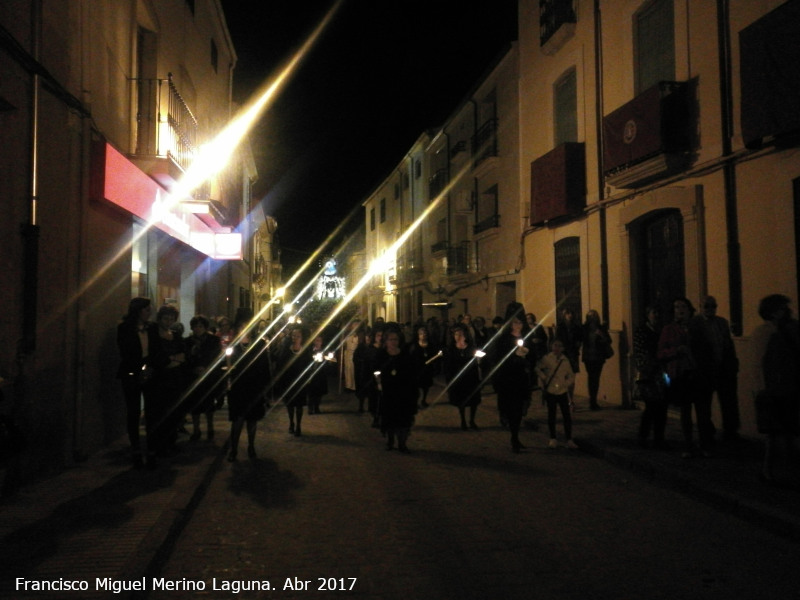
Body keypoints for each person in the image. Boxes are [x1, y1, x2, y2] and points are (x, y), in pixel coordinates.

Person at [749, 294, 800, 484]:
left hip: (786, 388)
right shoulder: (765, 334)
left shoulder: (787, 329)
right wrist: (762, 390)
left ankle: (781, 470)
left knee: (787, 431)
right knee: (774, 433)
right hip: (773, 391)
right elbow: (759, 365)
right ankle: (769, 471)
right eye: (782, 308)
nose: (787, 311)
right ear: (774, 312)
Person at [658, 297, 708, 458]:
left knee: (702, 411)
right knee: (685, 411)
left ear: (689, 309)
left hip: (698, 372)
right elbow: (661, 352)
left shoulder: (698, 326)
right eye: (676, 307)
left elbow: (706, 348)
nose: (680, 310)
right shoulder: (669, 329)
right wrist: (675, 351)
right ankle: (688, 445)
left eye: (683, 307)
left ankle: (704, 444)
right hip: (681, 373)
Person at [690, 295, 740, 442]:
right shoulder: (695, 323)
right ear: (700, 307)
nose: (710, 309)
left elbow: (728, 344)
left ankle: (730, 432)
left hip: (723, 367)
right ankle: (706, 433)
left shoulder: (722, 322)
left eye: (713, 306)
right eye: (707, 306)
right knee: (704, 404)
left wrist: (732, 363)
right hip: (705, 369)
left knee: (729, 402)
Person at [226, 309, 270, 461]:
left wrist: (266, 388)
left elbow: (265, 367)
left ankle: (251, 446)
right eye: (241, 326)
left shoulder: (259, 344)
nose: (244, 329)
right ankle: (234, 449)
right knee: (237, 420)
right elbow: (227, 366)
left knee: (252, 419)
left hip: (254, 387)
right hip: (238, 388)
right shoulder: (233, 345)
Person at [116, 297, 155, 468]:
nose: (149, 313)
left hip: (149, 373)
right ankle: (136, 449)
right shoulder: (124, 328)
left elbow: (154, 350)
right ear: (138, 311)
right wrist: (139, 370)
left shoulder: (151, 328)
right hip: (132, 374)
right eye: (147, 310)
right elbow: (125, 352)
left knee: (151, 411)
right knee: (133, 411)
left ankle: (151, 448)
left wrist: (150, 368)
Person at [145, 304, 187, 464]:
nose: (168, 321)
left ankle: (169, 443)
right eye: (166, 318)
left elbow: (183, 355)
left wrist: (171, 360)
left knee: (172, 412)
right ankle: (155, 447)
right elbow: (156, 358)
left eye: (171, 318)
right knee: (156, 413)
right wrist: (172, 359)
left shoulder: (175, 335)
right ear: (160, 318)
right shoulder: (153, 335)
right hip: (157, 381)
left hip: (174, 380)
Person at [492, 302, 535, 453]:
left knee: (519, 408)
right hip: (508, 379)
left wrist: (527, 354)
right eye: (515, 322)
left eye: (520, 322)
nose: (518, 325)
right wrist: (514, 356)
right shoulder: (503, 339)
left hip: (522, 378)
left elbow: (534, 355)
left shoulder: (526, 336)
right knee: (512, 409)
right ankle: (514, 437)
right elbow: (499, 359)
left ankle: (515, 436)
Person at [374, 324, 417, 452]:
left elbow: (410, 372)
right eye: (390, 339)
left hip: (402, 391)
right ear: (386, 341)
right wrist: (378, 381)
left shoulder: (404, 355)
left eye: (395, 339)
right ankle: (390, 440)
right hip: (388, 391)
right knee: (389, 417)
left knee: (403, 418)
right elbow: (376, 370)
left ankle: (402, 443)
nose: (393, 342)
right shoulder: (381, 355)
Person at [634, 306, 668, 449]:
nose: (656, 315)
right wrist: (649, 365)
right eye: (654, 312)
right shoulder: (641, 331)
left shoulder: (662, 331)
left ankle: (659, 438)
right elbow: (640, 352)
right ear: (647, 315)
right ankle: (643, 436)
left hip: (661, 373)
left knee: (662, 407)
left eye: (658, 312)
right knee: (651, 406)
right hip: (648, 374)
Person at [185, 315, 223, 441]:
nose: (197, 329)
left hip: (208, 376)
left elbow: (216, 357)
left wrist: (206, 367)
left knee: (209, 404)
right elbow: (186, 359)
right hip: (193, 376)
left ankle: (210, 428)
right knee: (194, 404)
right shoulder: (188, 341)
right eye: (195, 326)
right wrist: (193, 367)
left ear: (205, 327)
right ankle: (196, 430)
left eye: (200, 326)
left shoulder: (213, 340)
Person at [536, 338, 577, 449]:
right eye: (555, 345)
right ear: (551, 347)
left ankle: (569, 439)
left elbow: (571, 375)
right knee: (552, 415)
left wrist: (565, 384)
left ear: (562, 348)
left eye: (559, 346)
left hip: (562, 391)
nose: (557, 348)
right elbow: (538, 369)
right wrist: (544, 378)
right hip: (551, 390)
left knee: (566, 416)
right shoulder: (547, 359)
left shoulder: (565, 360)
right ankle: (553, 438)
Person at [274, 325, 313, 437]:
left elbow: (308, 365)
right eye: (293, 335)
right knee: (290, 404)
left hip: (300, 381)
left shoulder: (305, 350)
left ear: (302, 338)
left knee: (299, 405)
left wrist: (308, 377)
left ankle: (299, 426)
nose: (295, 338)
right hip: (289, 381)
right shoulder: (286, 350)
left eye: (298, 336)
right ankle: (291, 422)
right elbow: (281, 364)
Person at [443, 323, 482, 429]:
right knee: (462, 400)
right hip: (459, 378)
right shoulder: (451, 349)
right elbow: (448, 365)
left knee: (473, 400)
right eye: (456, 335)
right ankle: (463, 420)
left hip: (471, 378)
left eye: (461, 334)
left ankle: (472, 420)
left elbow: (478, 362)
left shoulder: (471, 348)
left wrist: (479, 360)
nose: (459, 337)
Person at [581, 309, 612, 410]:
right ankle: (592, 401)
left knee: (596, 378)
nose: (592, 317)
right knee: (591, 378)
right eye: (590, 316)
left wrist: (602, 335)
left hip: (598, 356)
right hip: (588, 357)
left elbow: (609, 340)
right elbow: (580, 339)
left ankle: (593, 400)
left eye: (594, 315)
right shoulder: (585, 328)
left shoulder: (601, 328)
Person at [408, 324, 440, 409]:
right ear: (418, 335)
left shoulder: (430, 345)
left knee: (426, 386)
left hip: (427, 369)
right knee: (416, 387)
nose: (423, 335)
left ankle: (424, 400)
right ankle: (415, 401)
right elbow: (411, 357)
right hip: (417, 369)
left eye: (425, 334)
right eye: (421, 334)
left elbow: (434, 355)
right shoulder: (414, 345)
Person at [307, 335, 331, 415]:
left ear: (321, 342)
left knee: (319, 392)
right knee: (311, 392)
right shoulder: (310, 351)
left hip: (321, 374)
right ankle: (310, 408)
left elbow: (329, 361)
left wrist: (327, 359)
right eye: (316, 340)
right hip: (312, 374)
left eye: (319, 341)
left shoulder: (324, 351)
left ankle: (317, 407)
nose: (317, 342)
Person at [555, 307, 582, 377]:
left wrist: (578, 343)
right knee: (563, 372)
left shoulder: (576, 327)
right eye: (568, 314)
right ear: (564, 315)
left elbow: (579, 338)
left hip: (573, 351)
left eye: (571, 314)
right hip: (564, 352)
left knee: (572, 373)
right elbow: (558, 338)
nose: (570, 315)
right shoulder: (560, 327)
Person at [342, 320, 361, 392]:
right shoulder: (348, 334)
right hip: (348, 353)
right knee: (347, 370)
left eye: (356, 324)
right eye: (354, 324)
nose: (355, 326)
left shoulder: (359, 334)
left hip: (354, 353)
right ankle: (348, 386)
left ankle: (353, 386)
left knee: (353, 370)